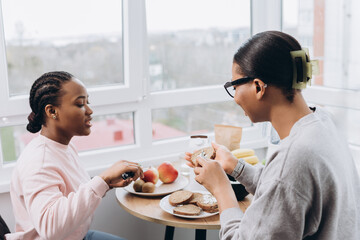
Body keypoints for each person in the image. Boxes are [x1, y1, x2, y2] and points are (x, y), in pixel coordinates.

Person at [185, 31, 360, 239]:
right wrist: (235, 167)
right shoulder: (324, 121)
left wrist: (221, 188)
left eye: (234, 86)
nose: (235, 98)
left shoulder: (295, 156)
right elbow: (287, 190)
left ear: (258, 87)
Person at [6, 71, 143, 240]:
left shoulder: (64, 146)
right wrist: (103, 179)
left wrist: (108, 183)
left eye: (88, 103)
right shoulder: (39, 162)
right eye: (80, 104)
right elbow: (51, 229)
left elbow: (71, 194)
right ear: (52, 111)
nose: (90, 110)